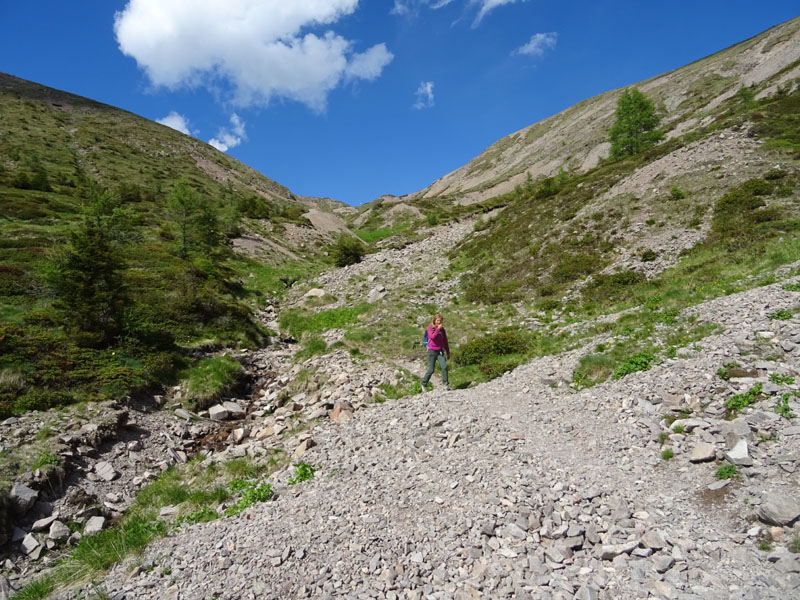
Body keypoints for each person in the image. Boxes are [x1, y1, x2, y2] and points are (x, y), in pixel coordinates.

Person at [421, 314, 450, 391]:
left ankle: (446, 384)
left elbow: (445, 341)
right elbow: (432, 337)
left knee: (444, 367)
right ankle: (424, 384)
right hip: (432, 351)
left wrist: (448, 352)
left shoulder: (442, 330)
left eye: (440, 321)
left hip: (440, 351)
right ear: (434, 320)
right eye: (437, 320)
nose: (439, 322)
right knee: (431, 370)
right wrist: (437, 329)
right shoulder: (430, 328)